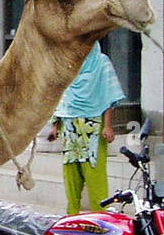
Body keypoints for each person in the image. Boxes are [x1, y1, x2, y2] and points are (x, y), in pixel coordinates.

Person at [48, 43, 125, 214]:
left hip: (93, 127)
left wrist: (108, 126)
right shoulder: (69, 62)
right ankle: (72, 217)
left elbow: (108, 95)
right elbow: (61, 94)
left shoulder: (101, 62)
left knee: (94, 175)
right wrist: (55, 126)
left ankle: (101, 219)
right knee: (71, 177)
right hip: (69, 127)